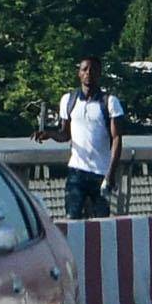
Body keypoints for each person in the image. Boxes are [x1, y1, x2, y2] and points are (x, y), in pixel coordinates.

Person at [53, 59, 125, 226]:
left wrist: (111, 172)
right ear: (79, 73)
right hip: (77, 171)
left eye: (92, 70)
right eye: (84, 69)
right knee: (72, 219)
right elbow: (65, 134)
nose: (88, 73)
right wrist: (49, 135)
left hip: (101, 173)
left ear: (99, 74)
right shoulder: (69, 100)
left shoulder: (109, 102)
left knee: (101, 223)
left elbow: (117, 138)